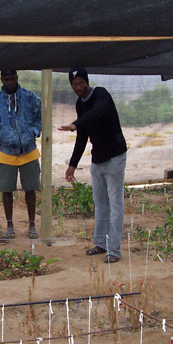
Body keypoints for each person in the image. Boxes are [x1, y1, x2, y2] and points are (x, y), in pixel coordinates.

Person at [58, 67, 127, 263]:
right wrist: (72, 164)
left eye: (81, 83)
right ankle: (101, 243)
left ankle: (113, 250)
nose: (79, 87)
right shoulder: (80, 104)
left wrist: (76, 123)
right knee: (100, 204)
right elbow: (82, 135)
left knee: (115, 204)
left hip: (115, 155)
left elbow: (97, 113)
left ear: (87, 81)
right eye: (75, 84)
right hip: (98, 157)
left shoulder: (101, 94)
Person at [0, 70, 42, 239]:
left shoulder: (29, 97)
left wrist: (34, 131)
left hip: (28, 150)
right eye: (6, 79)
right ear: (2, 79)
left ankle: (32, 224)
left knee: (30, 189)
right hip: (6, 151)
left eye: (12, 79)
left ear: (17, 78)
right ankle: (10, 224)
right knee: (6, 189)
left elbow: (40, 116)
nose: (10, 82)